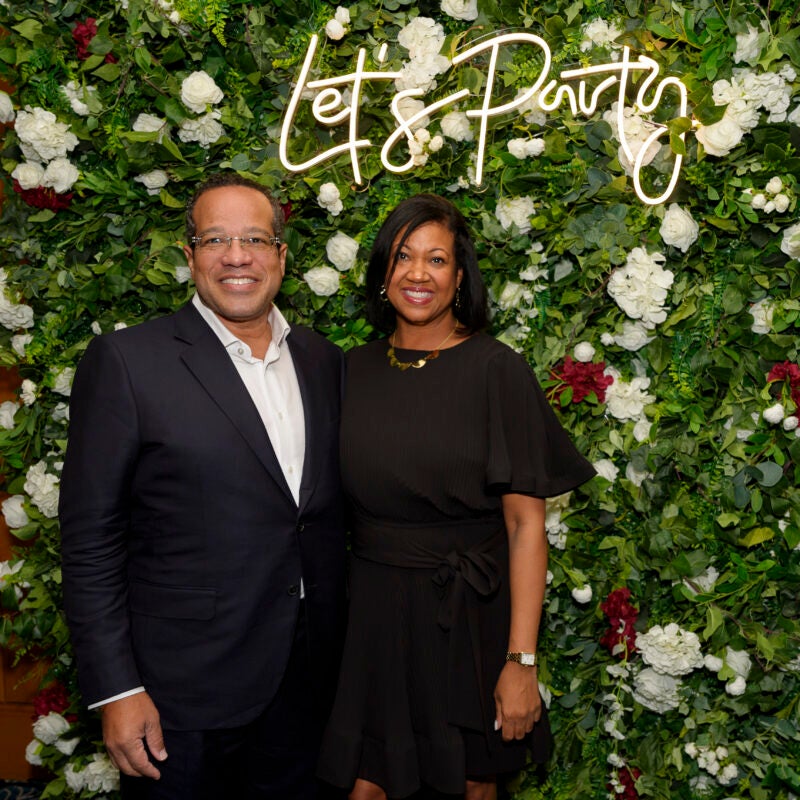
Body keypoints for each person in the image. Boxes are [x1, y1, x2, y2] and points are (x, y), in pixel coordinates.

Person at [59, 173, 347, 799]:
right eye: (216, 239)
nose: (237, 256)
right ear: (189, 256)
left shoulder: (325, 362)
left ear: (281, 255)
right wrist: (117, 689)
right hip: (178, 700)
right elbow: (89, 541)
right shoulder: (129, 363)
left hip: (307, 690)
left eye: (254, 239)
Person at [317, 194, 595, 800]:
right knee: (365, 785)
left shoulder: (499, 371)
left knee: (469, 784)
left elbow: (526, 529)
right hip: (371, 617)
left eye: (437, 259)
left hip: (466, 620)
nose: (418, 273)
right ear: (382, 274)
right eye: (402, 257)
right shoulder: (350, 370)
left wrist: (521, 663)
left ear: (460, 276)